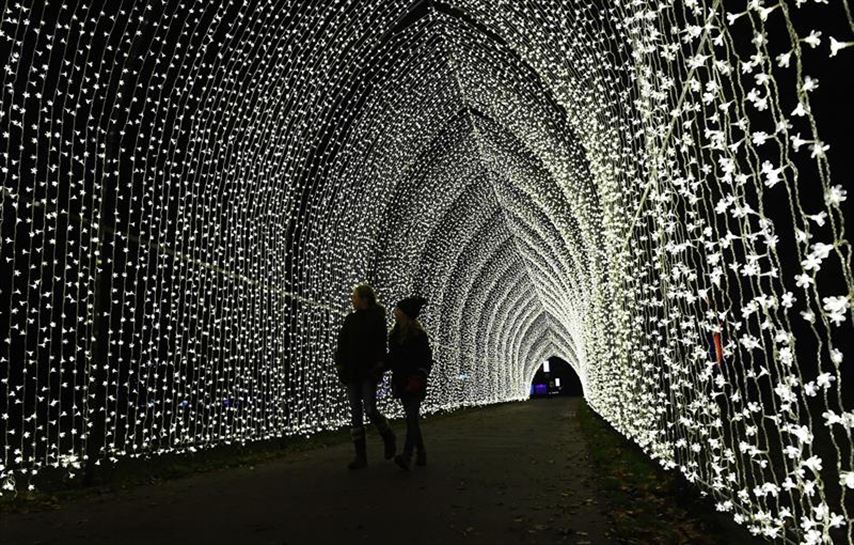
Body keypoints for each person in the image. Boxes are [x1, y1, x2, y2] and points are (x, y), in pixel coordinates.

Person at [335, 284, 396, 469]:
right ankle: (360, 456)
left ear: (364, 299)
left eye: (354, 297)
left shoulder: (377, 319)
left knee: (369, 409)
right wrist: (340, 366)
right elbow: (342, 344)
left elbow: (380, 345)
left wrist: (378, 366)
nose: (352, 300)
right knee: (355, 414)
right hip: (352, 372)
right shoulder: (350, 319)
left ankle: (387, 435)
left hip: (368, 372)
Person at [388, 296, 432, 470]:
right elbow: (392, 359)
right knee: (411, 419)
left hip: (415, 382)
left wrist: (421, 374)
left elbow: (426, 358)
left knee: (412, 417)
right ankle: (421, 452)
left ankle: (407, 456)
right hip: (401, 382)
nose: (395, 312)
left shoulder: (419, 335)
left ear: (405, 314)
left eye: (398, 310)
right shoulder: (393, 335)